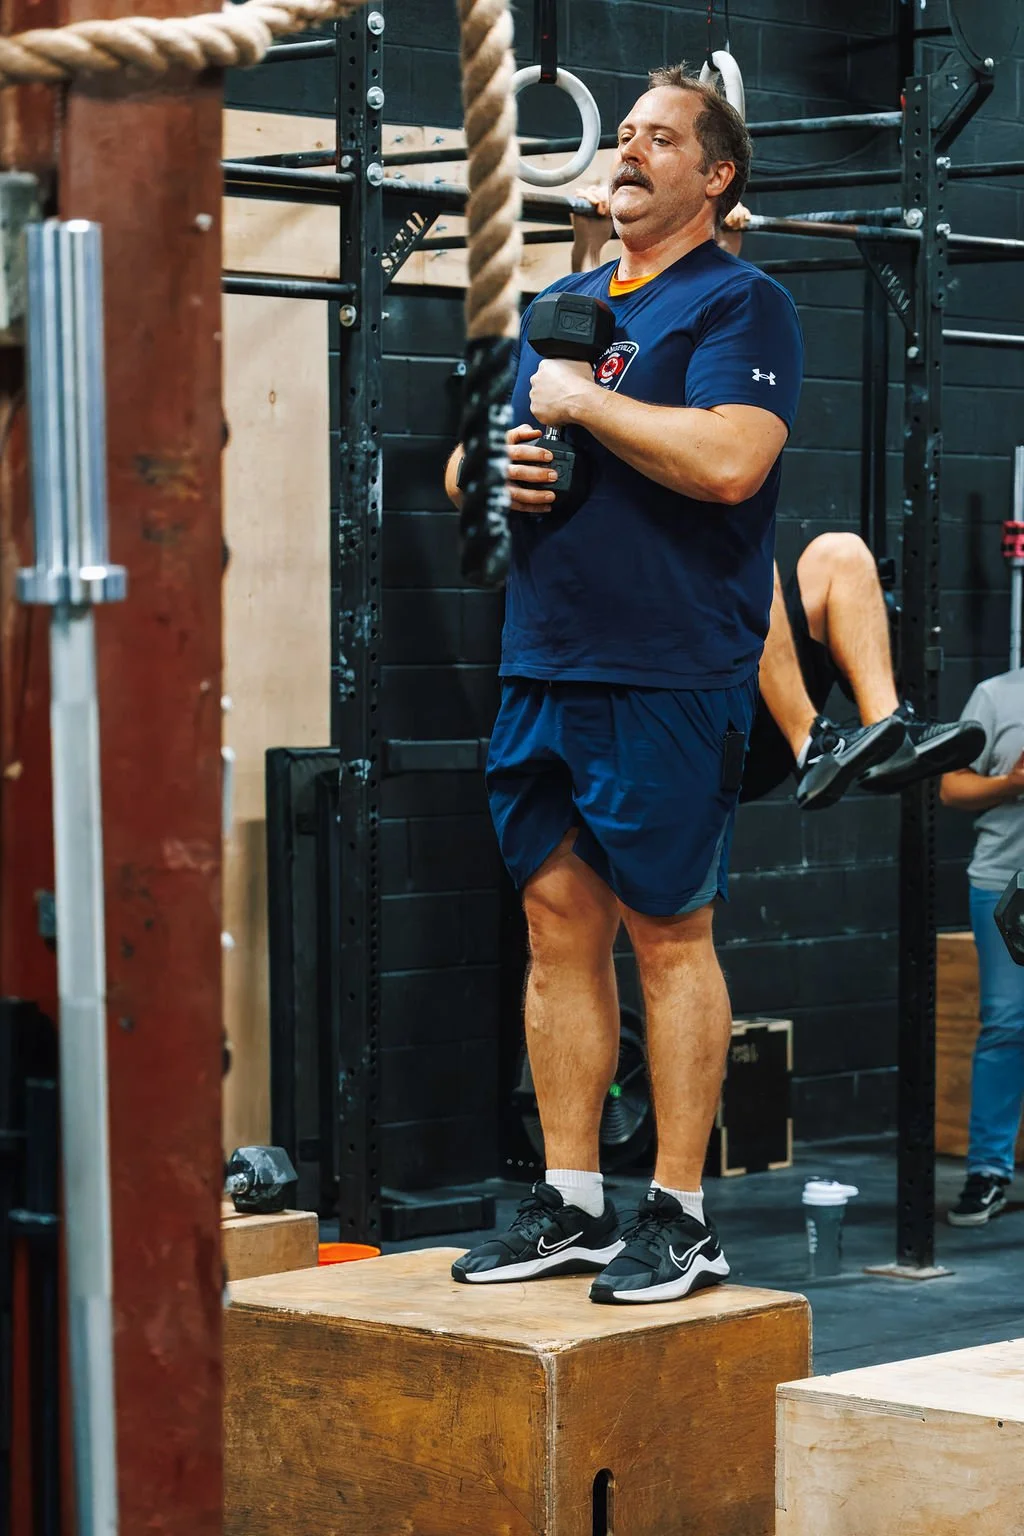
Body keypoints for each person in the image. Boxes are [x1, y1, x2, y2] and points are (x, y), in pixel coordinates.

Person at [444, 63, 803, 1304]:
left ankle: (684, 1215)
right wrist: (493, 470)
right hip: (542, 659)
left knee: (669, 938)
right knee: (555, 931)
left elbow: (729, 464)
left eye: (663, 138)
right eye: (627, 136)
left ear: (715, 176)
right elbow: (466, 466)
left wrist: (585, 411)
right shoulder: (564, 303)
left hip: (666, 669)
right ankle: (574, 1203)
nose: (633, 153)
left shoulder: (740, 305)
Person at [573, 191, 985, 811]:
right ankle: (809, 743)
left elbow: (717, 328)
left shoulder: (715, 344)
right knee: (742, 557)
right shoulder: (607, 373)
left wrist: (728, 247)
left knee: (839, 553)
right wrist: (587, 243)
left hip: (749, 673)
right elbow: (575, 333)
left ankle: (887, 729)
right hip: (694, 692)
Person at [940, 670, 1024, 1226]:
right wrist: (1014, 782)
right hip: (1005, 881)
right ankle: (989, 1171)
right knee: (1007, 1022)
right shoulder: (997, 695)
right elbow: (952, 787)